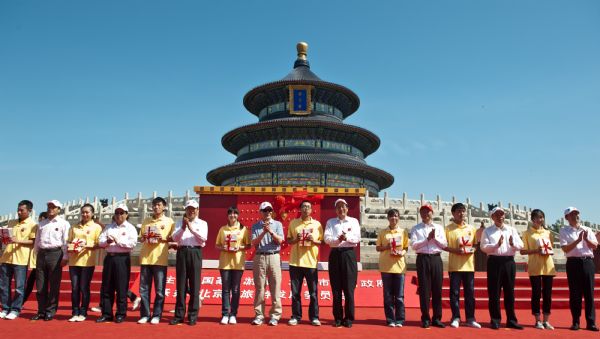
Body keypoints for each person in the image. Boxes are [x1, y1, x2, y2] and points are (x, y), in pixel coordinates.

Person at [480, 207, 524, 330]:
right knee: (494, 292)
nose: (500, 217)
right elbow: (483, 247)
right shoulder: (487, 231)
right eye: (497, 215)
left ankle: (511, 320)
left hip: (509, 262)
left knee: (510, 292)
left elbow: (521, 245)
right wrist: (496, 245)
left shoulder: (511, 230)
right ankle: (495, 319)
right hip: (494, 262)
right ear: (492, 217)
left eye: (502, 214)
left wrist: (512, 244)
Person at [96, 204, 138, 323]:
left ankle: (121, 313)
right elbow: (100, 242)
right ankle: (106, 313)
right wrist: (107, 241)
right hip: (109, 258)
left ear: (126, 214)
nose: (119, 215)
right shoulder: (109, 227)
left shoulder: (130, 228)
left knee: (121, 287)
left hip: (122, 259)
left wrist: (118, 241)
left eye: (121, 213)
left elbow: (132, 244)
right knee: (107, 287)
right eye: (117, 213)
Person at [559, 207, 599, 331]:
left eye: (576, 214)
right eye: (572, 214)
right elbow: (565, 249)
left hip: (587, 262)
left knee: (589, 294)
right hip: (573, 263)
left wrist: (586, 239)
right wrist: (577, 240)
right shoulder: (564, 230)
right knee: (575, 293)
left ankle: (591, 322)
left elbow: (595, 246)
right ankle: (575, 321)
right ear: (566, 217)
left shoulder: (587, 229)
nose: (575, 216)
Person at [169, 200, 208, 326]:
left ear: (197, 210)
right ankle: (179, 315)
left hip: (195, 252)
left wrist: (191, 228)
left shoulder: (202, 223)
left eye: (193, 209)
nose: (191, 211)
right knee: (181, 285)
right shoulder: (179, 223)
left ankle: (192, 315)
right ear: (185, 210)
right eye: (188, 209)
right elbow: (174, 238)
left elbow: (203, 238)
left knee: (195, 284)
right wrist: (183, 228)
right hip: (182, 252)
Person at [324, 198, 360, 328]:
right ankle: (338, 318)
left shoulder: (354, 221)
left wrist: (347, 238)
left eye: (343, 206)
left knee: (349, 289)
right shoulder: (331, 222)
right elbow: (327, 239)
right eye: (338, 207)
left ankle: (349, 318)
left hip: (349, 255)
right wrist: (337, 240)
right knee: (336, 288)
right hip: (335, 254)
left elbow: (357, 238)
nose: (341, 209)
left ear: (347, 208)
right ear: (335, 210)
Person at [138, 197, 175, 324]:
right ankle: (145, 314)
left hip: (160, 259)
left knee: (159, 290)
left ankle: (157, 315)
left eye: (158, 205)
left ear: (164, 207)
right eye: (154, 205)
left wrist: (162, 238)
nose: (156, 207)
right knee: (144, 289)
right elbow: (140, 239)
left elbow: (173, 239)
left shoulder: (169, 221)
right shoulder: (146, 220)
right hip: (146, 258)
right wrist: (144, 237)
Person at [286, 200, 323, 326]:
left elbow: (321, 241)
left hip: (311, 263)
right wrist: (296, 239)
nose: (306, 209)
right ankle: (296, 316)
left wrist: (314, 240)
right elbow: (289, 240)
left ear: (311, 210)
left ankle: (314, 317)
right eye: (304, 207)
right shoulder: (294, 223)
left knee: (313, 293)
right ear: (300, 209)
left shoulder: (317, 224)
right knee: (295, 293)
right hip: (295, 263)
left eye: (308, 207)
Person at [444, 203, 481, 328]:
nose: (462, 214)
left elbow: (476, 245)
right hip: (455, 267)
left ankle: (470, 318)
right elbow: (444, 246)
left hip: (469, 266)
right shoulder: (448, 229)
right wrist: (455, 251)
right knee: (454, 293)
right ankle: (456, 317)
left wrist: (473, 250)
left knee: (470, 293)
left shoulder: (471, 228)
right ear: (453, 213)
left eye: (463, 211)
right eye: (459, 211)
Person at [410, 204, 447, 328]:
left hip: (436, 259)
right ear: (420, 214)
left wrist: (434, 238)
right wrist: (427, 239)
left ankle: (437, 318)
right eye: (423, 212)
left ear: (432, 213)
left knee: (437, 289)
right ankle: (425, 318)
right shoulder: (416, 228)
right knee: (424, 290)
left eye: (428, 211)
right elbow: (414, 245)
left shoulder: (439, 227)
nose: (425, 214)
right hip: (423, 259)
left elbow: (443, 244)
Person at [32, 200, 70, 321]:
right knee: (40, 284)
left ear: (59, 209)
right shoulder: (42, 223)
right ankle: (41, 310)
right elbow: (37, 240)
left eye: (53, 207)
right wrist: (35, 254)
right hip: (42, 254)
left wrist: (65, 257)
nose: (50, 209)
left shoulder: (64, 223)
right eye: (49, 207)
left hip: (55, 253)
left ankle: (50, 310)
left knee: (54, 284)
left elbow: (65, 241)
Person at [0, 200, 37, 320]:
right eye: (18, 209)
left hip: (20, 259)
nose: (19, 212)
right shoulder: (12, 222)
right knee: (3, 285)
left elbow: (33, 241)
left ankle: (15, 309)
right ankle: (5, 308)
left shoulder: (33, 224)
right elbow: (9, 238)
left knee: (19, 287)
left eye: (22, 210)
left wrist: (18, 241)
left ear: (29, 211)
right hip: (7, 257)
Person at [520, 209, 556, 330]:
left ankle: (546, 320)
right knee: (536, 293)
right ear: (532, 219)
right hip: (535, 267)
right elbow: (522, 251)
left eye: (541, 217)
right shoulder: (527, 233)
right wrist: (536, 251)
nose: (539, 220)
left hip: (548, 267)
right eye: (536, 218)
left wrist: (548, 251)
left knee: (547, 294)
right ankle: (537, 320)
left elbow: (551, 248)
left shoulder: (548, 233)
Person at [215, 206, 251, 325]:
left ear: (238, 215)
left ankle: (233, 314)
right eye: (230, 213)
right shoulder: (223, 229)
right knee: (225, 289)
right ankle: (225, 314)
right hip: (225, 263)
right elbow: (217, 245)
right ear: (227, 216)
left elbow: (248, 245)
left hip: (238, 263)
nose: (233, 216)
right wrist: (223, 247)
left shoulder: (243, 229)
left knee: (235, 289)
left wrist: (239, 247)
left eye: (235, 214)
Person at [66, 203, 102, 322]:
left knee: (84, 287)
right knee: (74, 287)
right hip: (74, 261)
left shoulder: (96, 227)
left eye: (87, 212)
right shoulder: (74, 227)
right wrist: (71, 246)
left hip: (87, 262)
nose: (85, 214)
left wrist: (87, 245)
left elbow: (99, 244)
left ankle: (83, 311)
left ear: (92, 214)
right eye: (83, 212)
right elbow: (69, 241)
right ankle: (75, 311)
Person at [251, 201, 284, 326]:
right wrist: (263, 232)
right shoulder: (255, 226)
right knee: (260, 288)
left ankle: (275, 315)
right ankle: (259, 315)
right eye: (265, 210)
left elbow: (280, 240)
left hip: (274, 256)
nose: (267, 213)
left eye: (269, 210)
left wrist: (270, 231)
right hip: (260, 258)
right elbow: (254, 243)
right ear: (260, 212)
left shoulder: (277, 224)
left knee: (275, 287)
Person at [375, 208, 408, 327]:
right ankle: (390, 319)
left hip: (399, 267)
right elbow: (378, 248)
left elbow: (406, 247)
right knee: (388, 296)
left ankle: (400, 319)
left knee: (399, 296)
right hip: (386, 267)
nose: (394, 218)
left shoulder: (403, 232)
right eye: (391, 216)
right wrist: (387, 247)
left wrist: (402, 253)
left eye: (396, 216)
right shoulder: (383, 232)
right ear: (388, 218)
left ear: (398, 217)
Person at [22, 212, 47, 304]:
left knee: (42, 284)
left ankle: (44, 305)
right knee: (30, 282)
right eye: (40, 218)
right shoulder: (35, 229)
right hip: (36, 261)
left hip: (46, 260)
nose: (41, 220)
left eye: (44, 219)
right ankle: (22, 301)